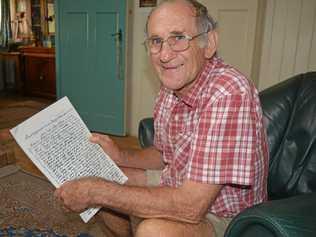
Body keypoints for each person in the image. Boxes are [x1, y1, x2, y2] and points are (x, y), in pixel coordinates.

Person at [54, 0, 269, 236]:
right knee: (102, 175)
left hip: (228, 216)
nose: (165, 55)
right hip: (179, 183)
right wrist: (120, 155)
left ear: (209, 43)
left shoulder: (228, 92)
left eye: (178, 37)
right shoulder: (172, 84)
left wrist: (96, 192)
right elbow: (164, 154)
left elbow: (190, 206)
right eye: (156, 41)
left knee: (153, 230)